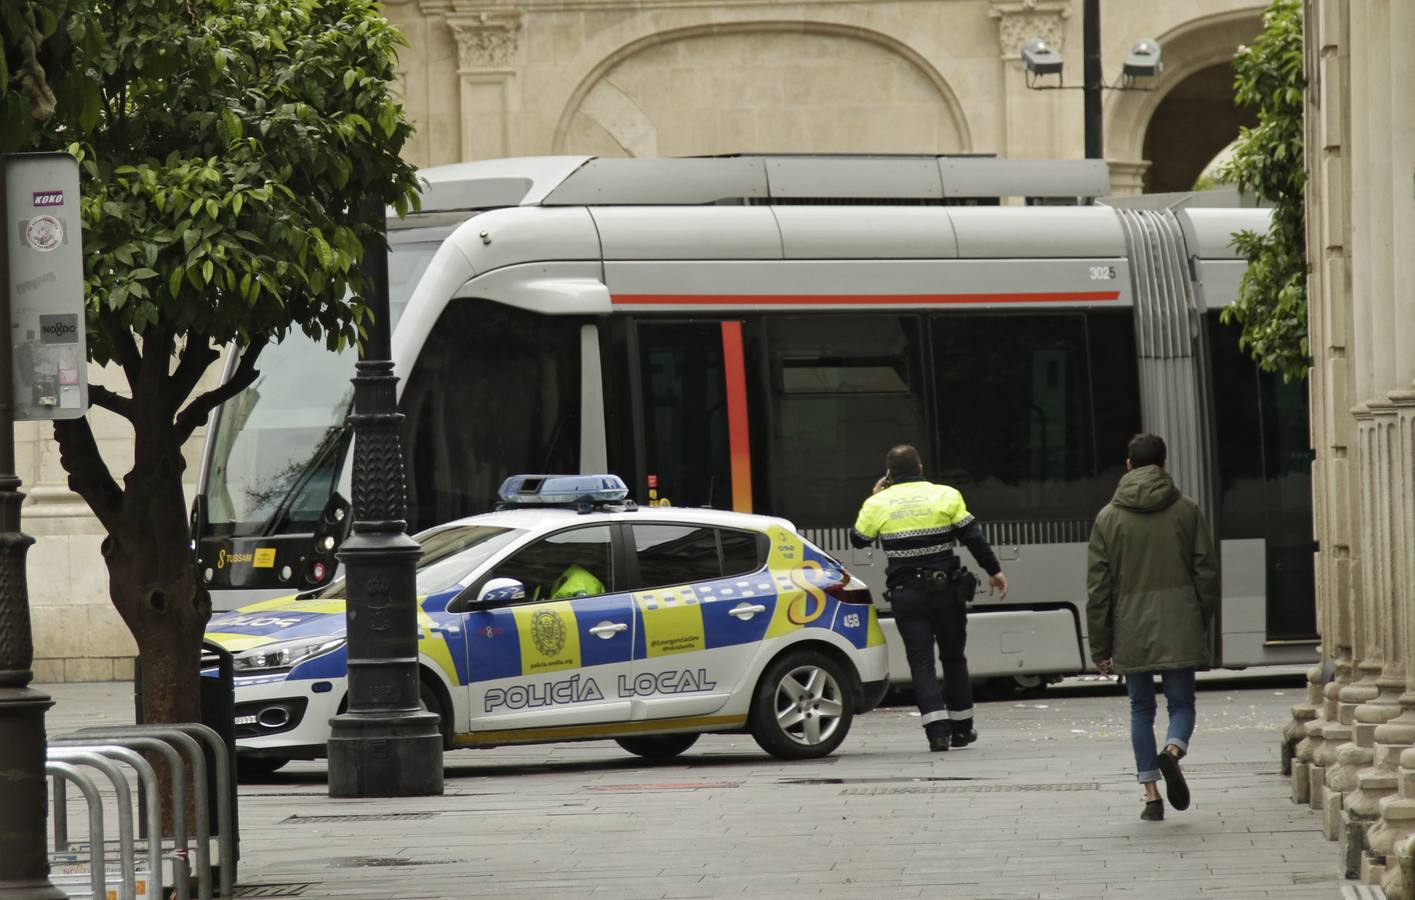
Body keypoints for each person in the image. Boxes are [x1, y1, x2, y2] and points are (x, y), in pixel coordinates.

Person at [1086, 433, 1219, 822]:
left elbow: (1098, 588)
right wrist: (1199, 619)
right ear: (1164, 464)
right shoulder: (1187, 510)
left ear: (1128, 465)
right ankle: (1173, 750)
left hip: (1130, 626)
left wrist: (1100, 646)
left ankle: (1151, 797)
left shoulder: (1108, 517)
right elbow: (1206, 573)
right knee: (1181, 704)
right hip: (1180, 619)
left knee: (1140, 708)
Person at [851, 444, 1007, 751]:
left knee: (920, 661)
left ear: (890, 475)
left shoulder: (879, 502)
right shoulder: (946, 495)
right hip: (947, 591)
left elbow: (858, 540)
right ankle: (962, 728)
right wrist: (994, 570)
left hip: (906, 594)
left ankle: (937, 733)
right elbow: (972, 537)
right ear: (921, 469)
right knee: (953, 656)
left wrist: (874, 496)